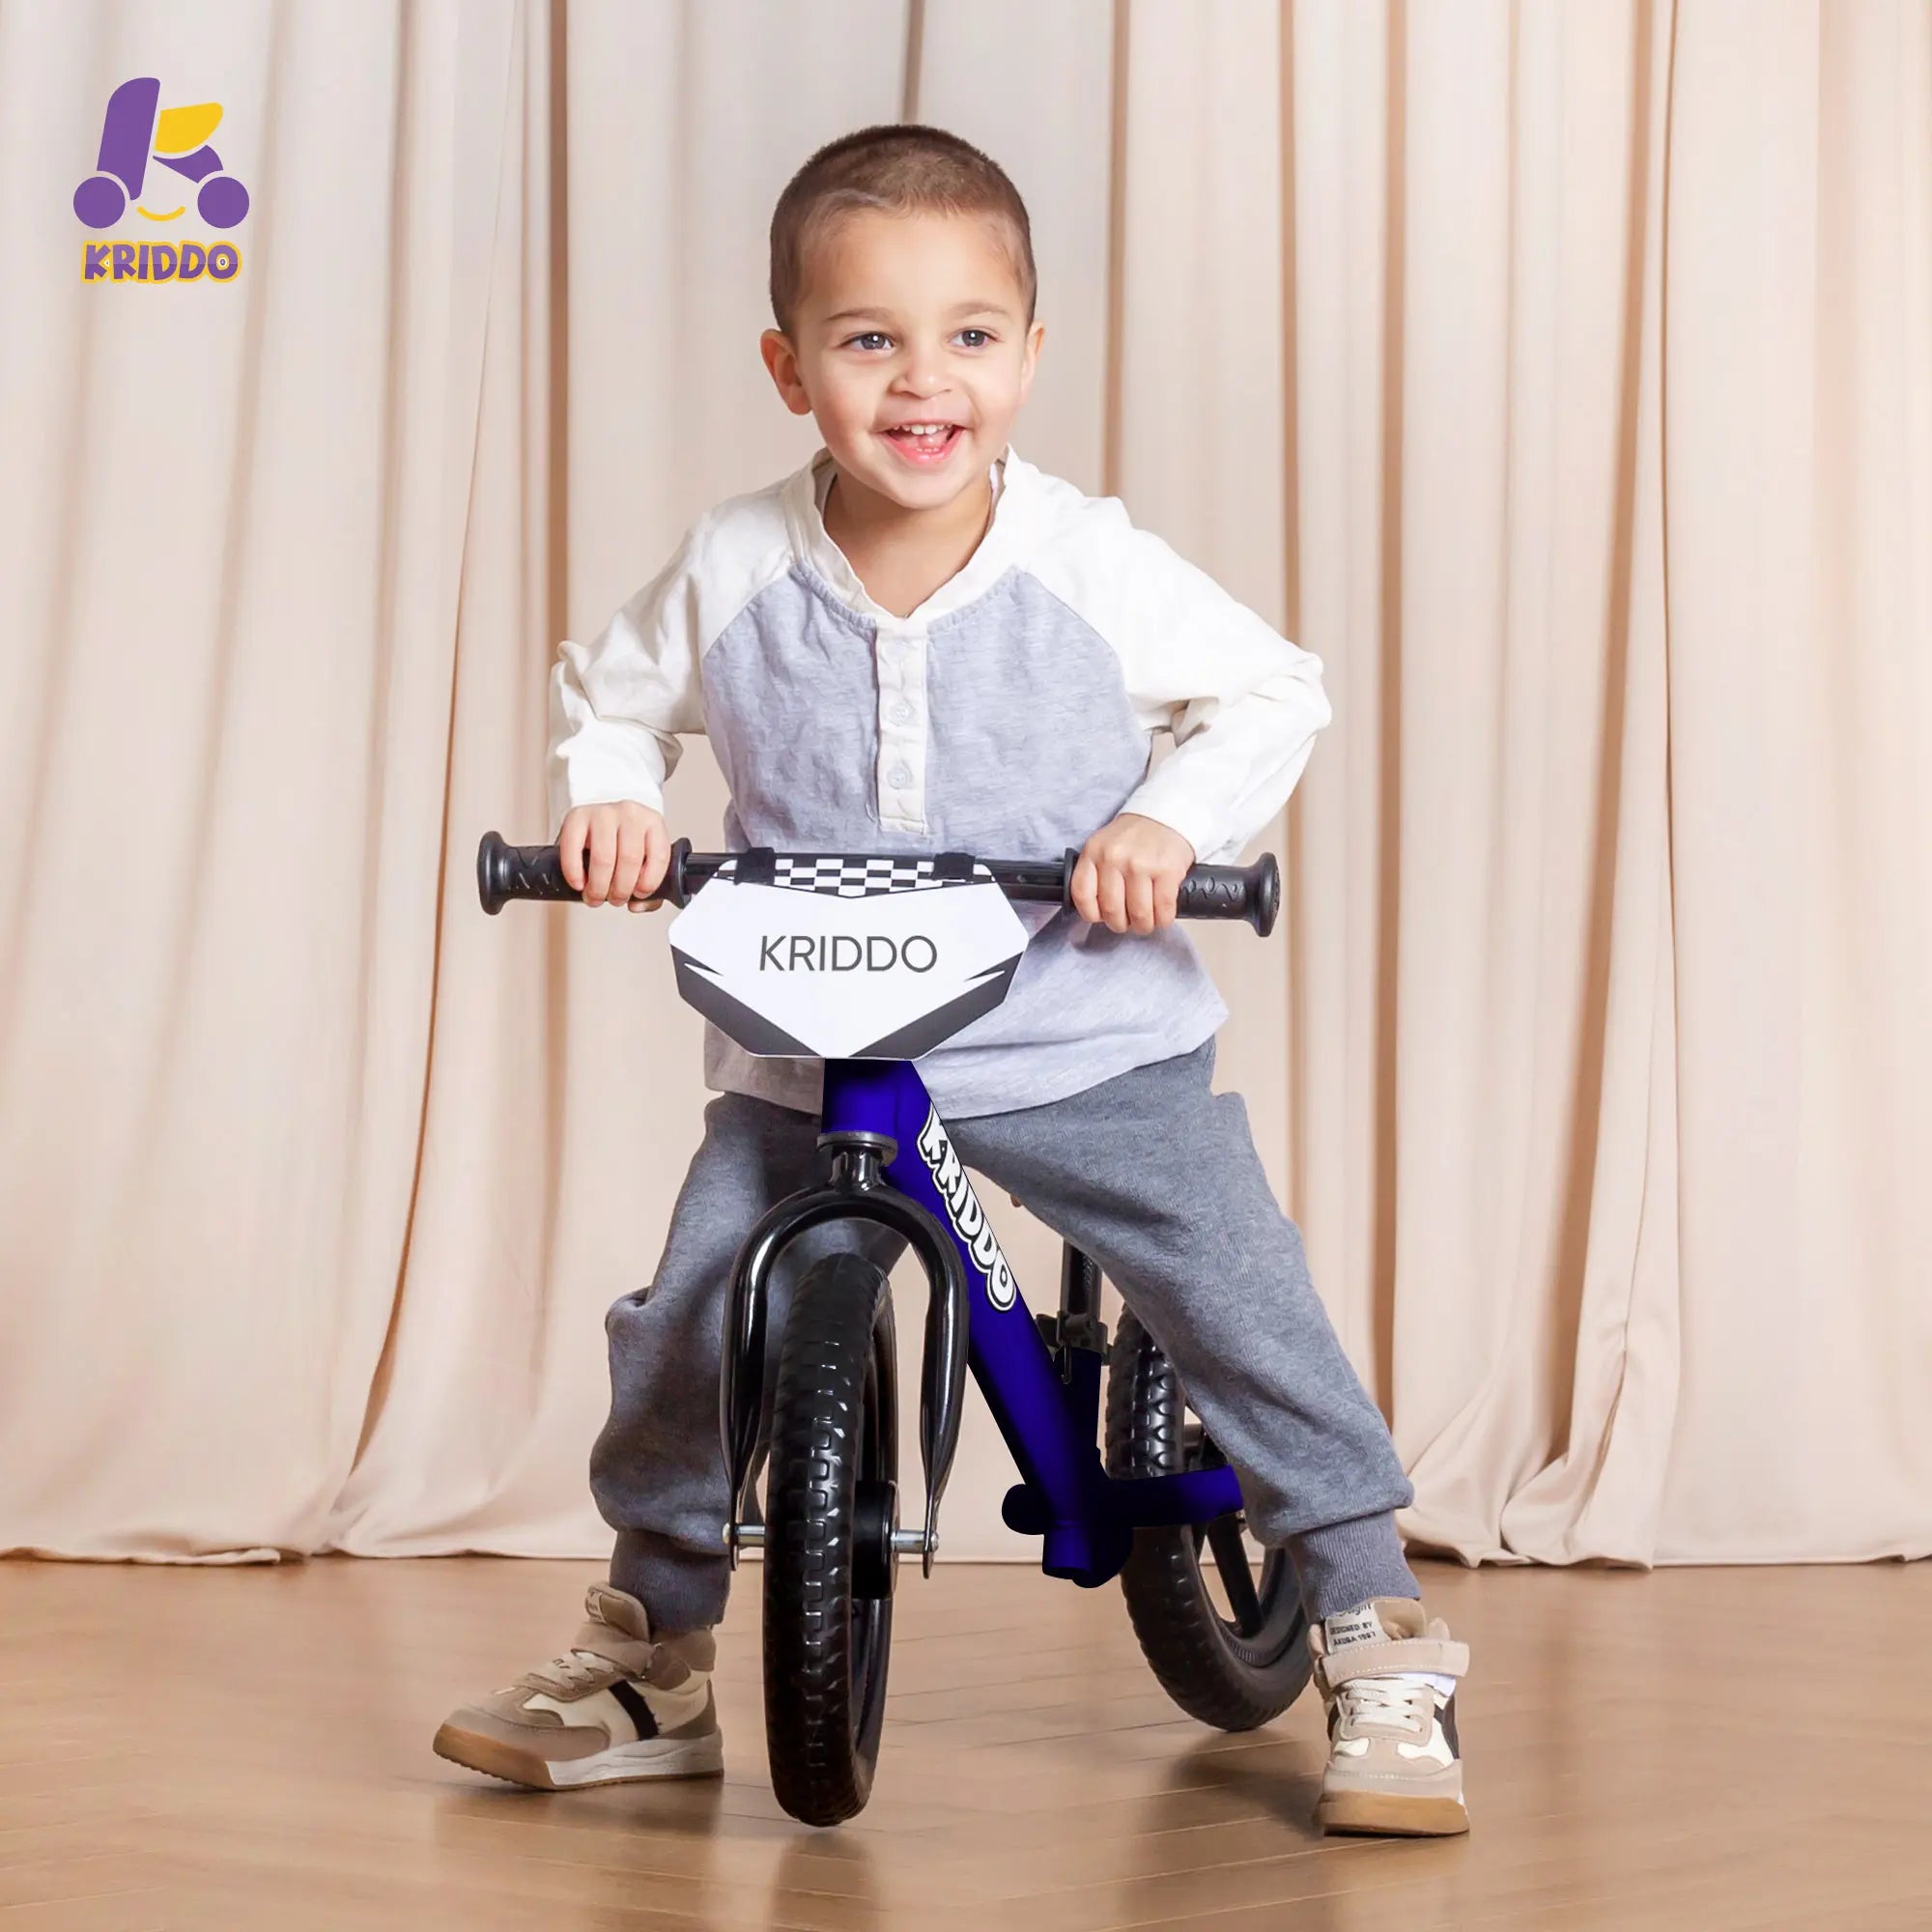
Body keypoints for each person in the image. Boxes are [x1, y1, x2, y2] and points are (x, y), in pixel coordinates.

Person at [434, 124, 1470, 1838]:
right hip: (809, 1046)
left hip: (1080, 1034)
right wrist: (613, 798)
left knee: (1234, 1287)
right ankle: (654, 1653)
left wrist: (1162, 815)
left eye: (972, 337)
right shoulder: (737, 563)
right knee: (692, 1313)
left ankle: (1371, 1621)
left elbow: (1271, 691)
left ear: (1032, 357)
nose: (926, 381)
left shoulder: (1083, 564)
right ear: (790, 368)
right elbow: (613, 695)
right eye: (869, 341)